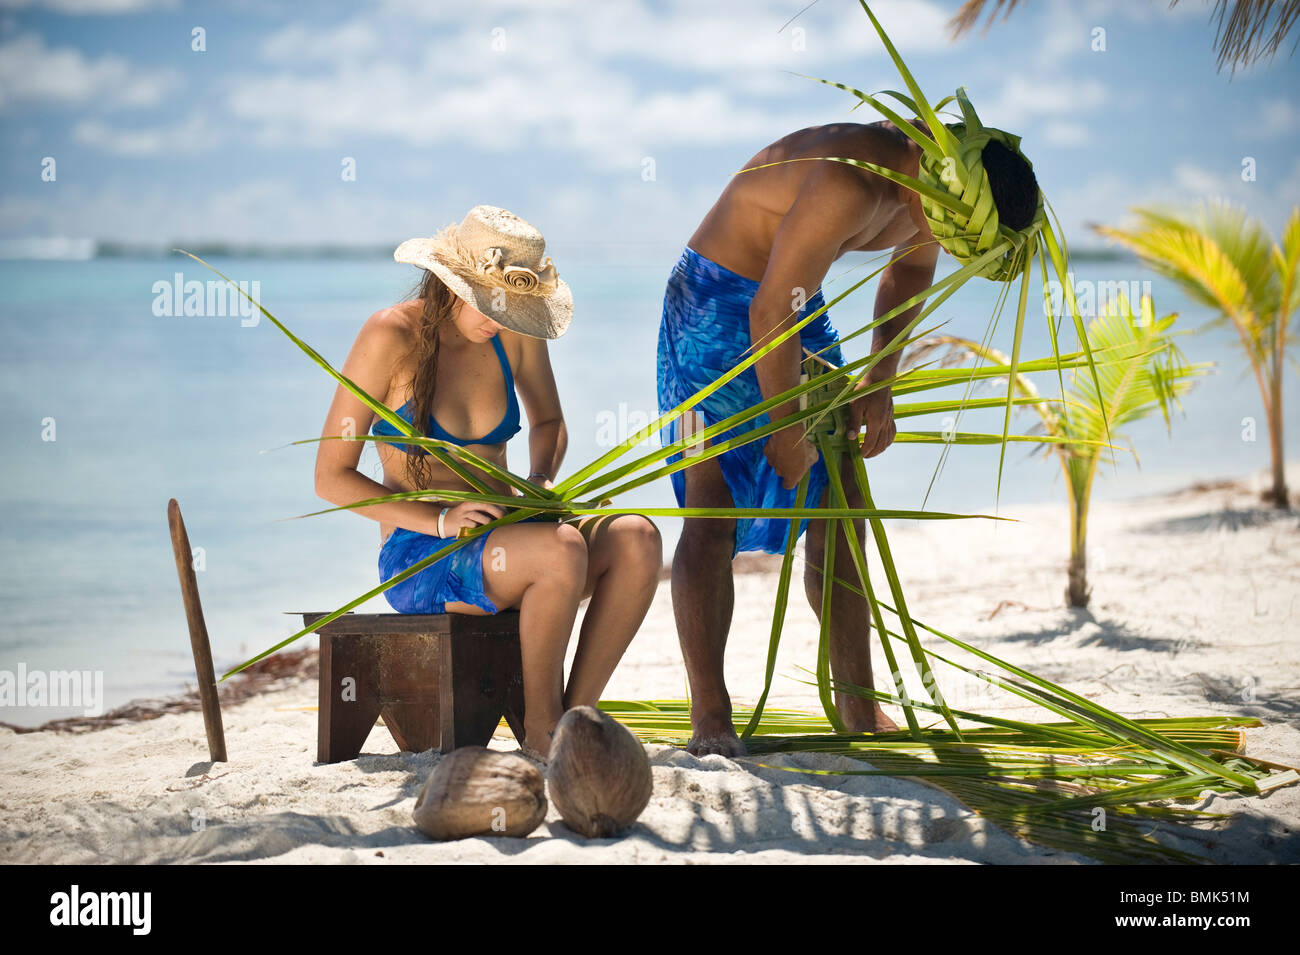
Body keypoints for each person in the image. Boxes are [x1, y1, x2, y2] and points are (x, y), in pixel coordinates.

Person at [657, 120, 1039, 756]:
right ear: (943, 183)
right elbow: (764, 309)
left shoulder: (940, 193)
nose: (943, 239)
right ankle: (711, 716)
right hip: (717, 303)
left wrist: (879, 379)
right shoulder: (849, 181)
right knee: (712, 508)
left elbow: (912, 273)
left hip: (794, 302)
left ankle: (857, 705)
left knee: (843, 501)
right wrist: (783, 433)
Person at [316, 205, 663, 761]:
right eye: (487, 302)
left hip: (517, 534)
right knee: (562, 550)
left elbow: (549, 423)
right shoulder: (390, 335)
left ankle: (572, 719)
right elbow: (331, 478)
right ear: (452, 281)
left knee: (638, 538)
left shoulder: (513, 334)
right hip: (424, 553)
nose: (498, 320)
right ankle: (545, 728)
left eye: (512, 307)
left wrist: (539, 479)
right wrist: (438, 519)